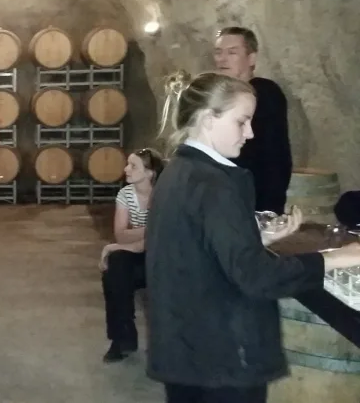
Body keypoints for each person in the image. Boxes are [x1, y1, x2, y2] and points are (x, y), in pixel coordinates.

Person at [146, 71, 360, 403]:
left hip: (187, 347)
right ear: (208, 118)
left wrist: (254, 239)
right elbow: (256, 278)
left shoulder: (177, 172)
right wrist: (336, 258)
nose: (250, 133)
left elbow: (192, 253)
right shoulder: (216, 184)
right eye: (241, 121)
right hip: (226, 355)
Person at [214, 27, 292, 214]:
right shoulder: (217, 95)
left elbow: (275, 152)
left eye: (232, 52)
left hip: (253, 198)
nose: (222, 59)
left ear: (251, 59)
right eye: (218, 52)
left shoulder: (265, 93)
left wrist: (269, 207)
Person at [99, 147, 164, 363]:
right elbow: (120, 234)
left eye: (133, 166)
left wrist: (138, 240)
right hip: (143, 251)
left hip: (164, 257)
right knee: (115, 270)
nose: (126, 169)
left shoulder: (164, 194)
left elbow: (167, 237)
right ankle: (122, 339)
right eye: (128, 163)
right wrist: (151, 232)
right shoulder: (125, 194)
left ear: (149, 173)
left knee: (117, 256)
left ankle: (165, 345)